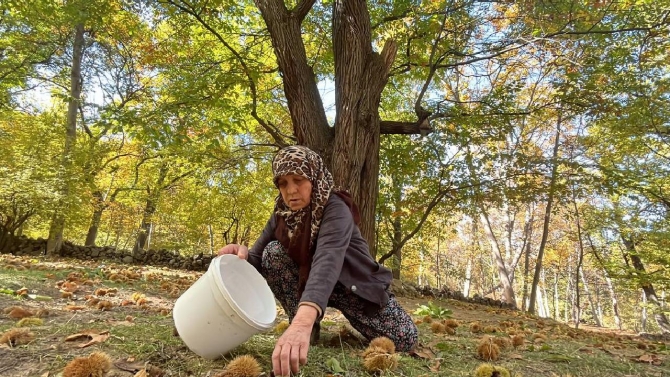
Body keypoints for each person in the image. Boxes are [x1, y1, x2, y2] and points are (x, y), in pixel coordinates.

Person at [218, 145, 418, 377]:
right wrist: (240, 256)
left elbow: (327, 261)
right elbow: (257, 259)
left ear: (314, 178)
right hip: (309, 286)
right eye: (283, 183)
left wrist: (299, 325)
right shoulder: (281, 214)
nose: (291, 190)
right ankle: (308, 328)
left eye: (298, 180)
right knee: (272, 253)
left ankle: (303, 324)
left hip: (353, 287)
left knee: (405, 339)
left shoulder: (336, 209)